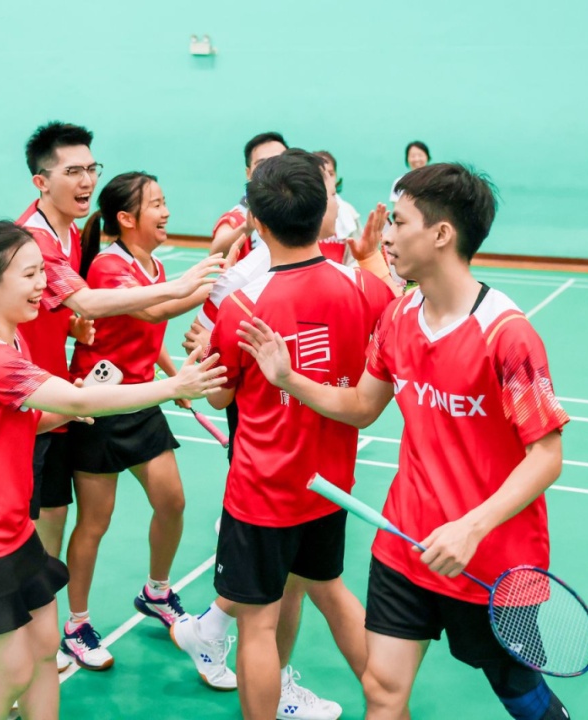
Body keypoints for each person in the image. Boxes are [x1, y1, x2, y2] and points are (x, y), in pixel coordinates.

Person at [238, 163, 573, 720]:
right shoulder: (397, 318)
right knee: (382, 691)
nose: (386, 236)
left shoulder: (507, 336)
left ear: (441, 234)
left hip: (490, 562)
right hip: (405, 544)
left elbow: (547, 456)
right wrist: (288, 379)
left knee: (520, 695)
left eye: (398, 222)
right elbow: (362, 406)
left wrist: (471, 527)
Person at [0, 221, 226, 720]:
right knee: (10, 673)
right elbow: (73, 399)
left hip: (11, 531)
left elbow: (31, 419)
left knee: (43, 651)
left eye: (43, 272)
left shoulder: (12, 341)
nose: (43, 286)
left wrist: (72, 408)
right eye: (30, 275)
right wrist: (172, 386)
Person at [0, 121, 223, 677]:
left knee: (58, 525)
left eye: (91, 169)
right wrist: (189, 284)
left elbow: (62, 307)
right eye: (73, 171)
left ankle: (46, 636)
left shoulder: (65, 235)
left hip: (68, 399)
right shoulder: (34, 239)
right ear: (41, 181)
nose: (86, 180)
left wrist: (70, 328)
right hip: (34, 402)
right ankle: (14, 647)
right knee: (33, 532)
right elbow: (95, 300)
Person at [174, 150, 394, 720]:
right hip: (330, 487)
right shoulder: (366, 290)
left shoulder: (242, 306)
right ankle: (389, 701)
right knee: (331, 590)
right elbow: (391, 319)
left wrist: (207, 356)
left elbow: (220, 397)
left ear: (258, 221)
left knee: (258, 624)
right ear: (325, 212)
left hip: (261, 494)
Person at [62, 172, 215, 670]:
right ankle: (76, 626)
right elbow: (153, 312)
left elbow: (149, 334)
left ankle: (156, 592)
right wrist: (216, 284)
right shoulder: (109, 265)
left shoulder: (155, 264)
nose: (166, 212)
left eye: (165, 201)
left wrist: (175, 377)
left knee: (172, 502)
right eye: (156, 204)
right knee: (95, 522)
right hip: (100, 405)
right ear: (127, 218)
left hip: (143, 401)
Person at [209, 132, 288, 258]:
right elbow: (216, 254)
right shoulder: (237, 217)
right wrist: (246, 228)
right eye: (262, 163)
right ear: (248, 173)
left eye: (279, 161)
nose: (272, 168)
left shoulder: (303, 209)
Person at [314, 150, 362, 256]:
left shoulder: (349, 213)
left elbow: (356, 254)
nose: (327, 179)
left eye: (331, 174)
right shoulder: (302, 210)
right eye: (321, 174)